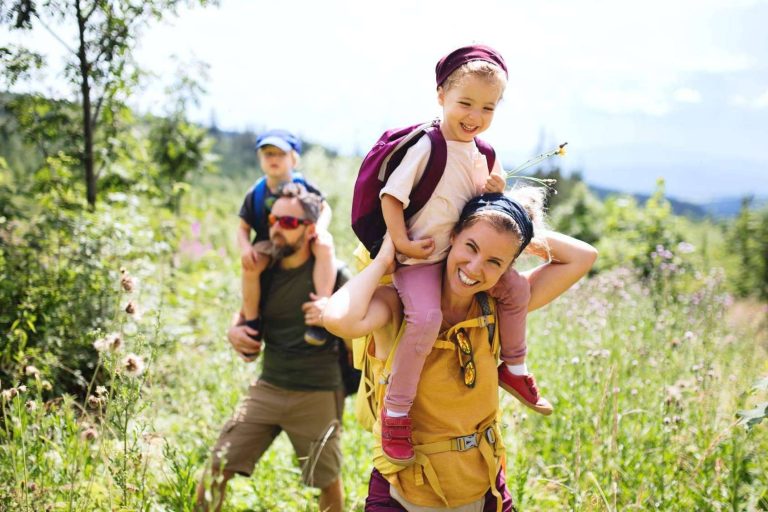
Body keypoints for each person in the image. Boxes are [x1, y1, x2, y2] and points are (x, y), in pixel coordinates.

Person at [324, 190, 598, 511]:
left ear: (508, 267)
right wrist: (385, 259)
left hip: (484, 491)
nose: (475, 267)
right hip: (403, 493)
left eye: (495, 261)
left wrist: (514, 224)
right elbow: (338, 319)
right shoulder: (399, 305)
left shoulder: (498, 307)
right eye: (471, 246)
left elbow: (584, 256)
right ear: (451, 236)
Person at [372, 44, 550, 465]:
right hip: (420, 258)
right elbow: (391, 197)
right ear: (441, 97)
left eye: (487, 108)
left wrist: (495, 186)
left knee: (516, 291)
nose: (475, 116)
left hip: (459, 257)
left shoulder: (483, 152)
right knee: (426, 318)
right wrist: (401, 243)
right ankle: (396, 411)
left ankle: (515, 367)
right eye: (465, 103)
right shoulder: (427, 146)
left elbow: (492, 193)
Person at [197, 184, 347, 512]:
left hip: (317, 392)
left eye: (289, 223)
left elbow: (360, 327)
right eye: (273, 219)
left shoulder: (335, 273)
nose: (277, 227)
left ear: (310, 230)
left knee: (328, 481)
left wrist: (332, 317)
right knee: (215, 470)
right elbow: (246, 313)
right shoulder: (265, 269)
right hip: (269, 386)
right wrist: (233, 330)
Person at [237, 129, 336, 347]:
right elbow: (243, 227)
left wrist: (319, 228)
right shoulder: (256, 192)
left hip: (303, 236)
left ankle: (320, 310)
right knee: (251, 267)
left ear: (294, 159)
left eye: (280, 154)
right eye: (268, 154)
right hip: (268, 241)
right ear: (260, 159)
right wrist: (245, 248)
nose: (274, 159)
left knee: (325, 245)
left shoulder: (304, 186)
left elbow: (324, 208)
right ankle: (252, 322)